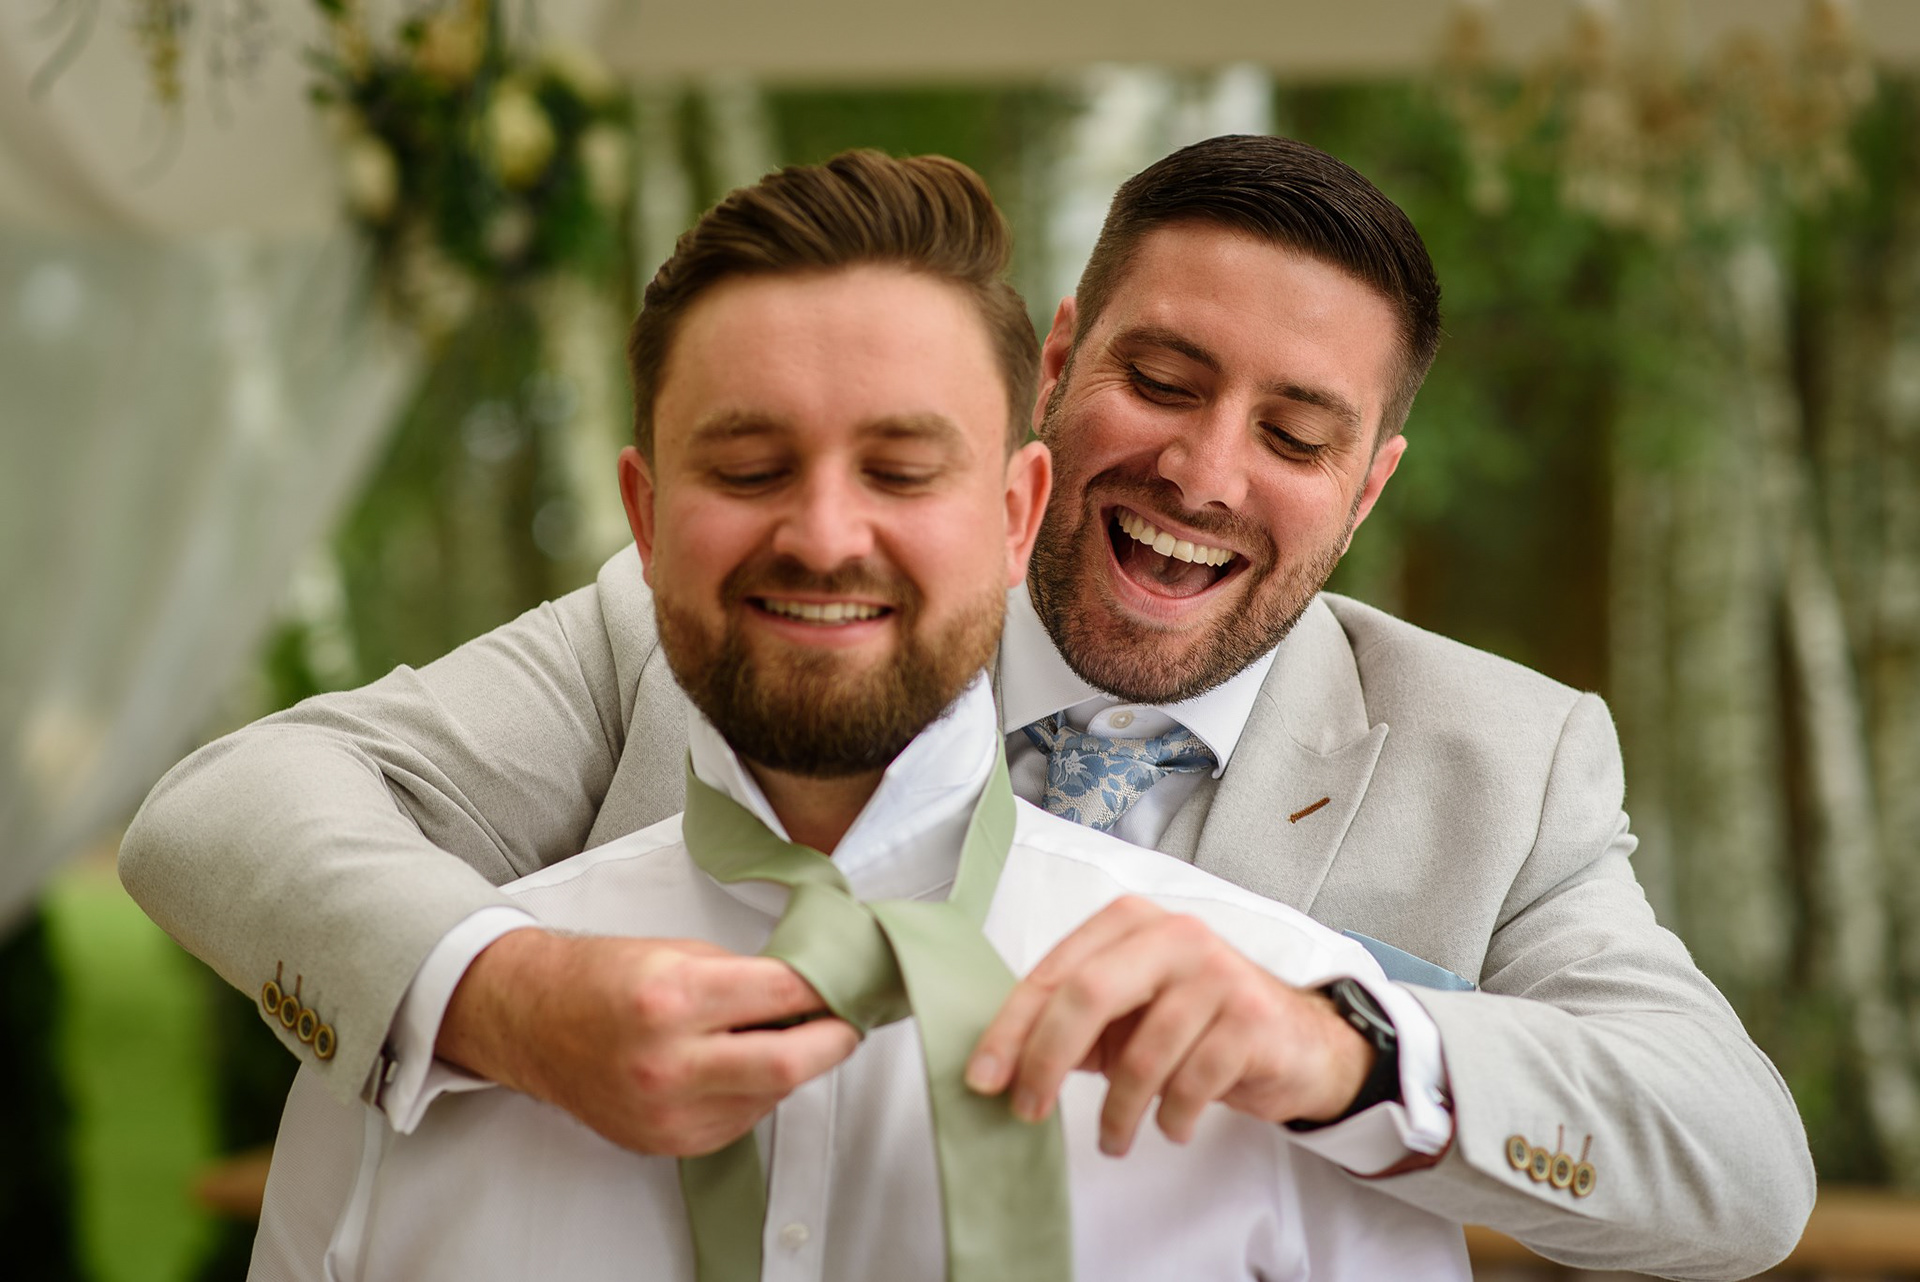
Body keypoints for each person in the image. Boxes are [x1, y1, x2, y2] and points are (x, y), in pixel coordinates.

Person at [123, 134, 1814, 1279]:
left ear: (1368, 488)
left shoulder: (1503, 759)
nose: (1203, 470)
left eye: (1295, 436)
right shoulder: (695, 616)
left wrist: (1343, 1042)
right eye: (1159, 379)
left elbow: (1736, 1164)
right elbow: (230, 808)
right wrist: (503, 998)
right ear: (1056, 371)